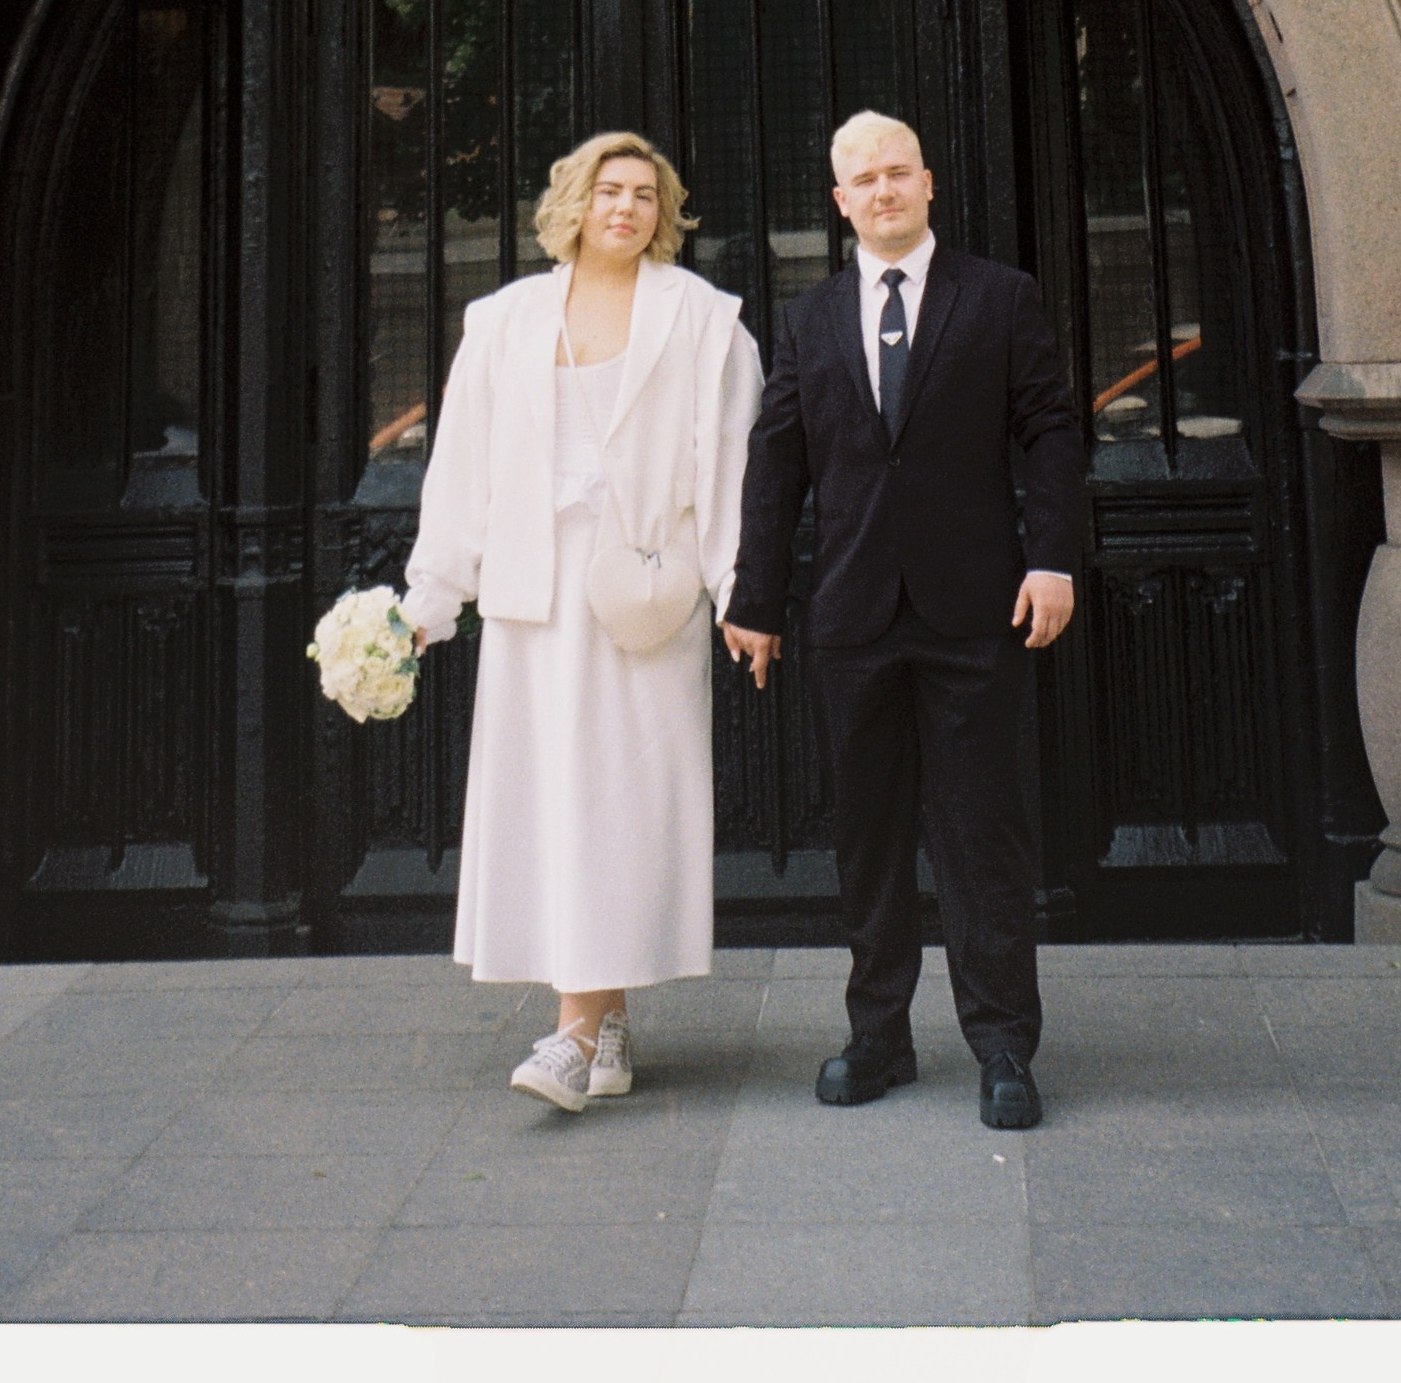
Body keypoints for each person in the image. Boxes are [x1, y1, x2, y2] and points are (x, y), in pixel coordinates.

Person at [724, 110, 1084, 1131]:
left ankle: (1005, 1043)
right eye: (861, 180)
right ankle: (877, 1034)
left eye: (896, 173)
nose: (882, 191)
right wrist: (755, 599)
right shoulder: (810, 320)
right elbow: (777, 464)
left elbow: (1050, 430)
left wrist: (1052, 555)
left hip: (976, 611)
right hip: (852, 616)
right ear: (838, 201)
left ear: (928, 183)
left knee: (981, 835)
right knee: (869, 842)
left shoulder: (1000, 298)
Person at [403, 131, 764, 1113]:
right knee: (553, 807)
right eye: (609, 190)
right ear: (573, 202)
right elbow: (461, 469)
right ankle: (600, 1021)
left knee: (623, 807)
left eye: (646, 194)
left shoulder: (703, 319)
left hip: (644, 598)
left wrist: (741, 596)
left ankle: (570, 1035)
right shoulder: (505, 321)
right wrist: (430, 598)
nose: (627, 208)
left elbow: (728, 469)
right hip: (535, 596)